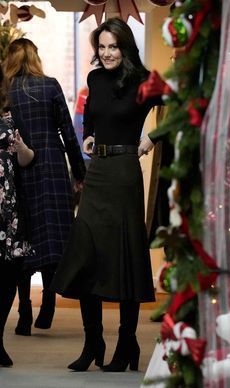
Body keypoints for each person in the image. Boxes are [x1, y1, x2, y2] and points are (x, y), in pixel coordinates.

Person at [51, 17, 162, 372]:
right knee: (86, 257)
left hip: (125, 173)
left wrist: (151, 139)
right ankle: (93, 342)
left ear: (125, 47)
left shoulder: (146, 81)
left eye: (113, 46)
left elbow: (185, 108)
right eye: (102, 47)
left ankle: (127, 343)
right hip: (96, 174)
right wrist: (89, 134)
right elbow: (94, 119)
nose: (107, 53)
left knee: (125, 258)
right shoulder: (94, 78)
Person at [3, 38, 86, 336]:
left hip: (19, 170)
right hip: (51, 166)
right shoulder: (50, 86)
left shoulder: (6, 91)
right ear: (36, 57)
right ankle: (48, 301)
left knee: (25, 239)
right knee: (52, 237)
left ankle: (24, 310)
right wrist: (80, 172)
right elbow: (68, 131)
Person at [0, 64, 36, 366]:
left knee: (10, 272)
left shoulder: (11, 114)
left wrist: (22, 147)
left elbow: (27, 159)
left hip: (7, 206)